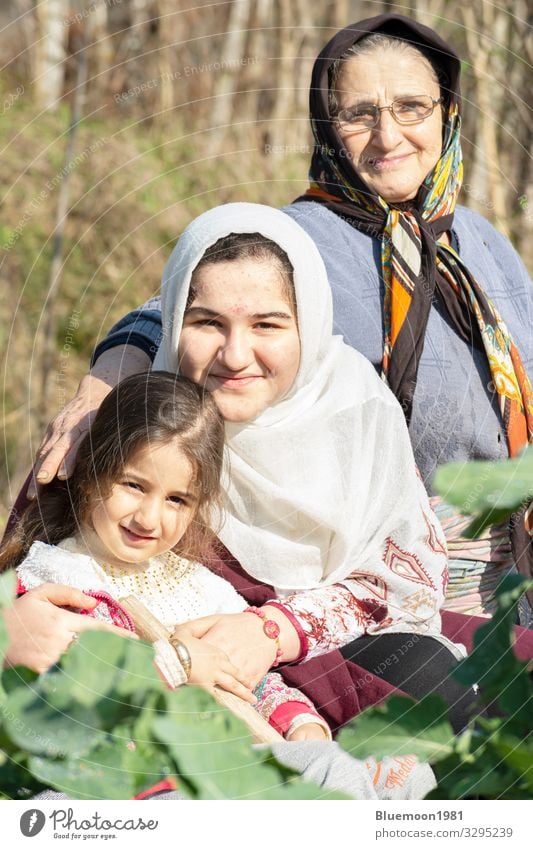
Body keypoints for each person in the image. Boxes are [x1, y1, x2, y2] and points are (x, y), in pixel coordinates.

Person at [49, 13, 532, 627]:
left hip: (514, 564)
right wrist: (108, 376)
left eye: (412, 107)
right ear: (328, 127)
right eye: (360, 114)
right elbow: (173, 316)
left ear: (448, 113)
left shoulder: (484, 244)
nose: (388, 135)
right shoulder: (301, 242)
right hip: (390, 569)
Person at [7, 201, 480, 735]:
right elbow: (29, 577)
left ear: (310, 322)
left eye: (267, 324)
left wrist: (272, 630)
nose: (235, 355)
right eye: (207, 322)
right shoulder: (126, 427)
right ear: (172, 324)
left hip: (326, 657)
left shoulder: (356, 410)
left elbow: (403, 578)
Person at [1, 369, 437, 800]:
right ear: (90, 474)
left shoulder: (197, 588)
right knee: (329, 773)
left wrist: (298, 722)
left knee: (405, 773)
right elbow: (83, 693)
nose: (149, 518)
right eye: (133, 486)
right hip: (137, 782)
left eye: (176, 499)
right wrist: (181, 664)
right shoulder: (55, 585)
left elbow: (249, 683)